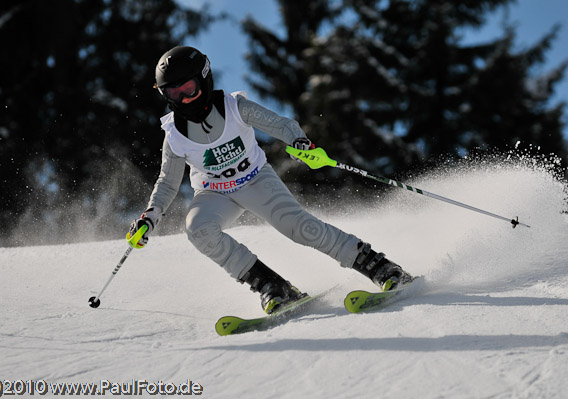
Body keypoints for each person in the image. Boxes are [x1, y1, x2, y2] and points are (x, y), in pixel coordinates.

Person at [127, 46, 413, 314]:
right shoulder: (174, 135)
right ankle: (273, 287)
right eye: (173, 94)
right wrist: (149, 217)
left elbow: (282, 125)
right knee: (197, 228)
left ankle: (381, 268)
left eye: (188, 89)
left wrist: (299, 142)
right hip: (214, 193)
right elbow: (167, 182)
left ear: (204, 79)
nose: (183, 99)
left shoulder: (235, 107)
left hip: (255, 180)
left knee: (300, 228)